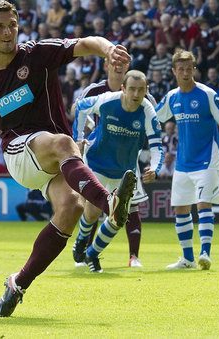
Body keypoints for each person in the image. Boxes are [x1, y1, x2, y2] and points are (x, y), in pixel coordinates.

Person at [0, 1, 135, 317]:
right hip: (20, 154)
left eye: (12, 25)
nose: (7, 32)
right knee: (63, 142)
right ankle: (110, 205)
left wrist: (108, 50)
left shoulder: (36, 54)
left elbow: (83, 44)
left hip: (55, 158)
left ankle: (17, 284)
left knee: (71, 208)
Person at [72, 70, 163, 272]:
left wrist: (155, 168)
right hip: (96, 163)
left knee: (118, 218)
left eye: (141, 90)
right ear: (123, 89)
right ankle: (81, 239)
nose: (136, 94)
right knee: (94, 210)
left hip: (124, 171)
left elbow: (157, 145)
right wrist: (77, 138)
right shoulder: (106, 100)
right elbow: (79, 107)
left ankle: (92, 254)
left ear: (146, 90)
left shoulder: (148, 112)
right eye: (132, 89)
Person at [155, 50, 219, 270]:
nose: (185, 72)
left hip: (207, 160)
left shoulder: (207, 94)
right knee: (180, 209)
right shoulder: (172, 97)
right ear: (174, 71)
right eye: (181, 69)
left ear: (194, 69)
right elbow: (154, 115)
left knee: (203, 205)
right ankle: (187, 259)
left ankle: (205, 253)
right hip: (182, 163)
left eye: (189, 68)